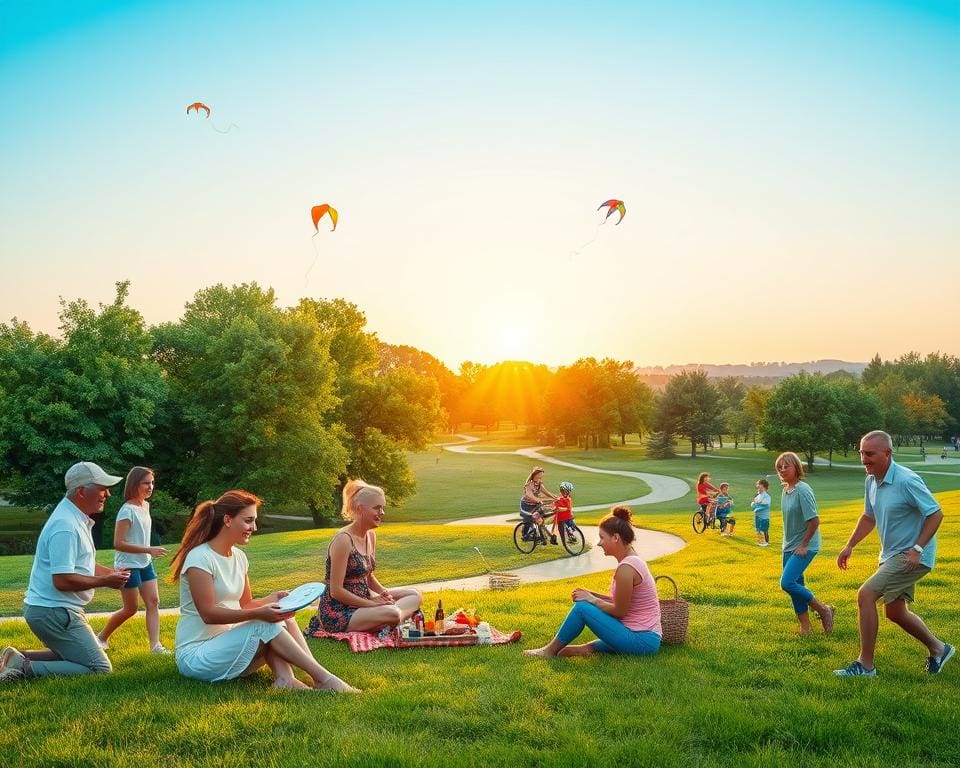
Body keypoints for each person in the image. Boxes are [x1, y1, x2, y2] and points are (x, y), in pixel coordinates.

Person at [171, 490, 357, 692]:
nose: (254, 527)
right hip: (197, 655)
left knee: (283, 615)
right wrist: (260, 613)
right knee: (264, 623)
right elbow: (209, 614)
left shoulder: (239, 557)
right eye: (248, 520)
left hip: (227, 646)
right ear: (227, 520)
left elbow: (246, 604)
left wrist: (273, 599)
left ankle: (287, 679)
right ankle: (323, 679)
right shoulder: (200, 558)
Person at [834, 430, 952, 677]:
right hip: (891, 554)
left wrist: (917, 549)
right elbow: (869, 516)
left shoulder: (907, 480)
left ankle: (866, 665)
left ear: (887, 453)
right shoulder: (871, 480)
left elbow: (935, 513)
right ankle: (939, 649)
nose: (864, 459)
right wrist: (849, 545)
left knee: (866, 594)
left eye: (870, 454)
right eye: (861, 454)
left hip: (912, 555)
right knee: (895, 612)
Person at [0, 462, 131, 682]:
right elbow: (62, 580)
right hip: (54, 612)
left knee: (73, 656)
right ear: (81, 491)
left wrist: (111, 573)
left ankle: (14, 657)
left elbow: (79, 564)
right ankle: (23, 668)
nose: (107, 494)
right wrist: (104, 580)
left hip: (51, 610)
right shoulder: (66, 526)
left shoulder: (74, 518)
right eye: (101, 488)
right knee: (99, 668)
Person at [523, 506, 661, 657]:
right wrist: (590, 594)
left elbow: (620, 611)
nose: (599, 543)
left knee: (582, 608)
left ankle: (548, 651)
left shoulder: (627, 568)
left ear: (616, 538)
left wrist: (592, 599)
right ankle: (586, 649)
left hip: (641, 640)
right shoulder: (631, 562)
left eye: (602, 537)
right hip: (644, 637)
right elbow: (621, 602)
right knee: (572, 646)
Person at [312, 479, 423, 633]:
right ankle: (393, 618)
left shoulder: (370, 536)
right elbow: (335, 591)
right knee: (392, 612)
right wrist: (373, 604)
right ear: (360, 508)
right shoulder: (343, 540)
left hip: (366, 600)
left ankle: (389, 618)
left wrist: (384, 594)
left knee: (414, 595)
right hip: (340, 611)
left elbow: (368, 576)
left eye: (383, 508)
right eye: (377, 508)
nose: (382, 513)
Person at [96, 467, 170, 654]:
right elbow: (118, 543)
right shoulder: (126, 511)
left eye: (152, 483)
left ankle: (155, 646)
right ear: (134, 484)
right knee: (130, 609)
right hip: (128, 564)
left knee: (153, 602)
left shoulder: (145, 506)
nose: (150, 486)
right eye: (146, 483)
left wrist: (147, 553)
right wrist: (149, 549)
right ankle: (101, 637)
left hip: (145, 563)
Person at [775, 452, 834, 637]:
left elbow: (814, 520)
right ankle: (805, 628)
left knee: (787, 583)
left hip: (805, 546)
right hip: (789, 546)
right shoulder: (786, 490)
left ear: (796, 468)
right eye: (780, 467)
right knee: (796, 585)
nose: (783, 469)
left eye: (787, 466)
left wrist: (804, 544)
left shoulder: (803, 489)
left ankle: (824, 610)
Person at [520, 466, 557, 543]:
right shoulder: (529, 485)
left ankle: (545, 536)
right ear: (534, 475)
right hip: (526, 505)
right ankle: (526, 535)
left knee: (542, 518)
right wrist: (538, 500)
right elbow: (529, 495)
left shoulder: (539, 484)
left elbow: (545, 492)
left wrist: (555, 497)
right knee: (536, 518)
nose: (540, 477)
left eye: (541, 476)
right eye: (539, 475)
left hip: (535, 504)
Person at [751, 479, 772, 547]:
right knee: (758, 528)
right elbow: (752, 504)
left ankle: (766, 542)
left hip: (764, 516)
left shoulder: (766, 496)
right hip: (757, 515)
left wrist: (757, 504)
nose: (758, 487)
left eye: (760, 486)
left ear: (764, 487)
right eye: (758, 486)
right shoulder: (758, 495)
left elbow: (765, 505)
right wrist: (756, 504)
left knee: (764, 529)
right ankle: (760, 541)